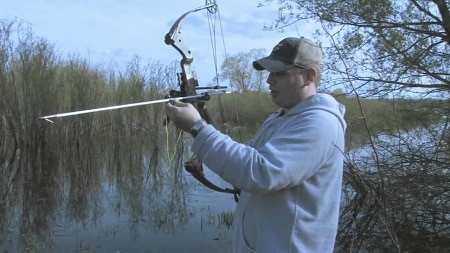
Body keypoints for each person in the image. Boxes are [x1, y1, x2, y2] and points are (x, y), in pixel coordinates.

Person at [165, 37, 347, 253]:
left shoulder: (319, 123)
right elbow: (247, 162)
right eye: (269, 72)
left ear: (309, 76)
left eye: (280, 73)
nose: (269, 80)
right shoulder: (282, 117)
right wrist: (201, 124)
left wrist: (197, 127)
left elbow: (260, 172)